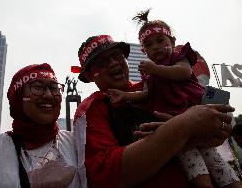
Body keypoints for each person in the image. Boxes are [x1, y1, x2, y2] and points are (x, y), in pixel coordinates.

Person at [73, 34, 236, 188]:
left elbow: (214, 125)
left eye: (117, 56)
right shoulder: (92, 109)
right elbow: (106, 175)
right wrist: (185, 125)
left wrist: (216, 124)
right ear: (89, 75)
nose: (114, 63)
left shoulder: (157, 84)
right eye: (102, 62)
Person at [0, 63, 81, 188]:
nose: (49, 95)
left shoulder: (77, 144)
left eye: (54, 88)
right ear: (18, 98)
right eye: (38, 87)